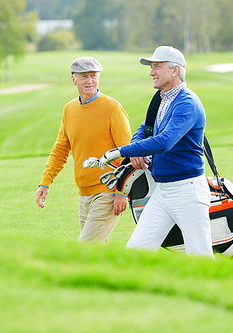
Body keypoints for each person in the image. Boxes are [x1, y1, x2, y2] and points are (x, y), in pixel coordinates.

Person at [98, 46, 214, 258]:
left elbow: (164, 142)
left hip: (187, 190)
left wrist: (119, 152)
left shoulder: (187, 102)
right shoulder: (161, 98)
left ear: (175, 70)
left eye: (157, 67)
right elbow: (144, 128)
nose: (151, 72)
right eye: (151, 67)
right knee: (136, 252)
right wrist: (135, 150)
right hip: (163, 191)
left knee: (201, 257)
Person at [36, 56, 132, 245]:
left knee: (85, 247)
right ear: (74, 79)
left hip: (109, 191)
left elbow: (128, 152)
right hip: (83, 194)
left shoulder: (113, 108)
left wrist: (122, 192)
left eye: (93, 76)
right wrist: (45, 183)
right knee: (96, 254)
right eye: (84, 76)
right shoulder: (69, 109)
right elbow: (60, 150)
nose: (90, 81)